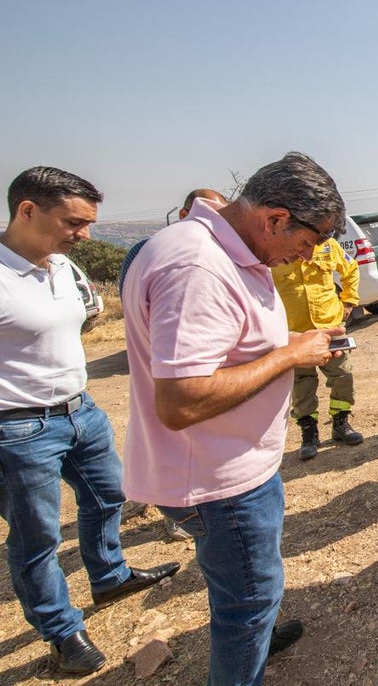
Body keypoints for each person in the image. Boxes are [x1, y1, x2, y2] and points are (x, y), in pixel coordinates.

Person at [121, 152, 347, 684]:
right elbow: (182, 401)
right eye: (308, 242)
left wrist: (293, 342)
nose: (306, 256)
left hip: (228, 469)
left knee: (249, 592)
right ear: (274, 218)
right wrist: (289, 357)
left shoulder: (222, 249)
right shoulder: (198, 269)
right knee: (247, 603)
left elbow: (223, 348)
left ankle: (260, 637)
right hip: (216, 483)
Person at [0, 167, 178, 676]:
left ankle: (109, 574)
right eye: (73, 222)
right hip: (18, 428)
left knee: (109, 496)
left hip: (82, 411)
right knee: (37, 539)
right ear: (27, 210)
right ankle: (61, 630)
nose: (84, 234)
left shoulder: (62, 265)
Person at [118, 187, 228, 541]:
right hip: (174, 367)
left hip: (184, 366)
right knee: (176, 437)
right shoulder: (176, 257)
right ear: (184, 215)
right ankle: (173, 506)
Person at [272, 235, 364, 461]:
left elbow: (350, 268)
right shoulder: (277, 250)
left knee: (342, 375)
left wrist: (349, 300)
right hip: (296, 333)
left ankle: (341, 424)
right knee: (302, 384)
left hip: (329, 326)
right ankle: (309, 433)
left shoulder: (328, 245)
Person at [118, 188, 228, 294]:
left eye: (222, 219)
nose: (213, 224)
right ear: (183, 214)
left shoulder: (225, 256)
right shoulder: (139, 251)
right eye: (207, 217)